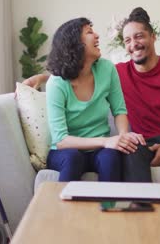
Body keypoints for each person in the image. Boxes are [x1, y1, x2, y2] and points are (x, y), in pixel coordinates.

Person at [23, 8, 160, 182]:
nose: (133, 44)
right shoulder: (117, 71)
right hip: (141, 144)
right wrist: (45, 78)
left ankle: (114, 206)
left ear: (153, 36)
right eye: (127, 40)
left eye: (139, 36)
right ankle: (138, 207)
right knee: (125, 151)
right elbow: (71, 76)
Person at [44, 17, 144, 182]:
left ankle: (110, 207)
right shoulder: (57, 83)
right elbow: (61, 140)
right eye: (89, 32)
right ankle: (65, 208)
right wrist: (105, 141)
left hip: (99, 149)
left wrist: (123, 137)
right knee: (73, 158)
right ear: (74, 43)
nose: (97, 35)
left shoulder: (107, 69)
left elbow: (119, 110)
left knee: (110, 158)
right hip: (65, 151)